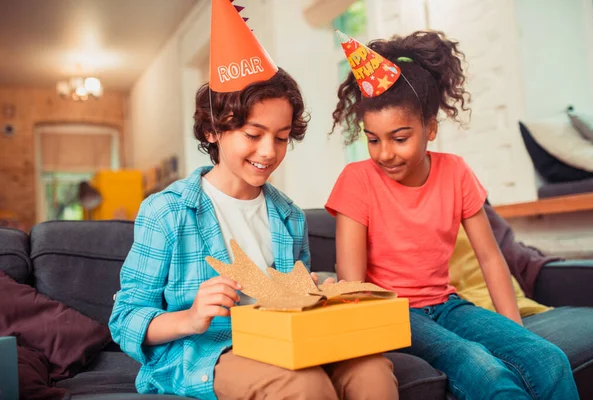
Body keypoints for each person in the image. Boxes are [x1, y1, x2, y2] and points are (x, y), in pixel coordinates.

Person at [109, 2, 398, 399]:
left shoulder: (289, 216)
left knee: (372, 368)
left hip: (282, 341)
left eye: (281, 138)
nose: (268, 151)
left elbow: (295, 310)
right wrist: (191, 318)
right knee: (303, 383)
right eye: (253, 133)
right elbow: (125, 318)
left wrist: (313, 292)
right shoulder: (167, 211)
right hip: (206, 351)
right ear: (213, 130)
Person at [325, 29, 579, 400]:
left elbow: (491, 258)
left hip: (448, 305)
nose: (384, 154)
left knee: (547, 358)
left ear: (430, 128)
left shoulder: (456, 171)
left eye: (399, 138)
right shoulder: (357, 179)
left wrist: (516, 332)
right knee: (484, 370)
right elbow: (352, 281)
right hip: (393, 313)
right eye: (373, 139)